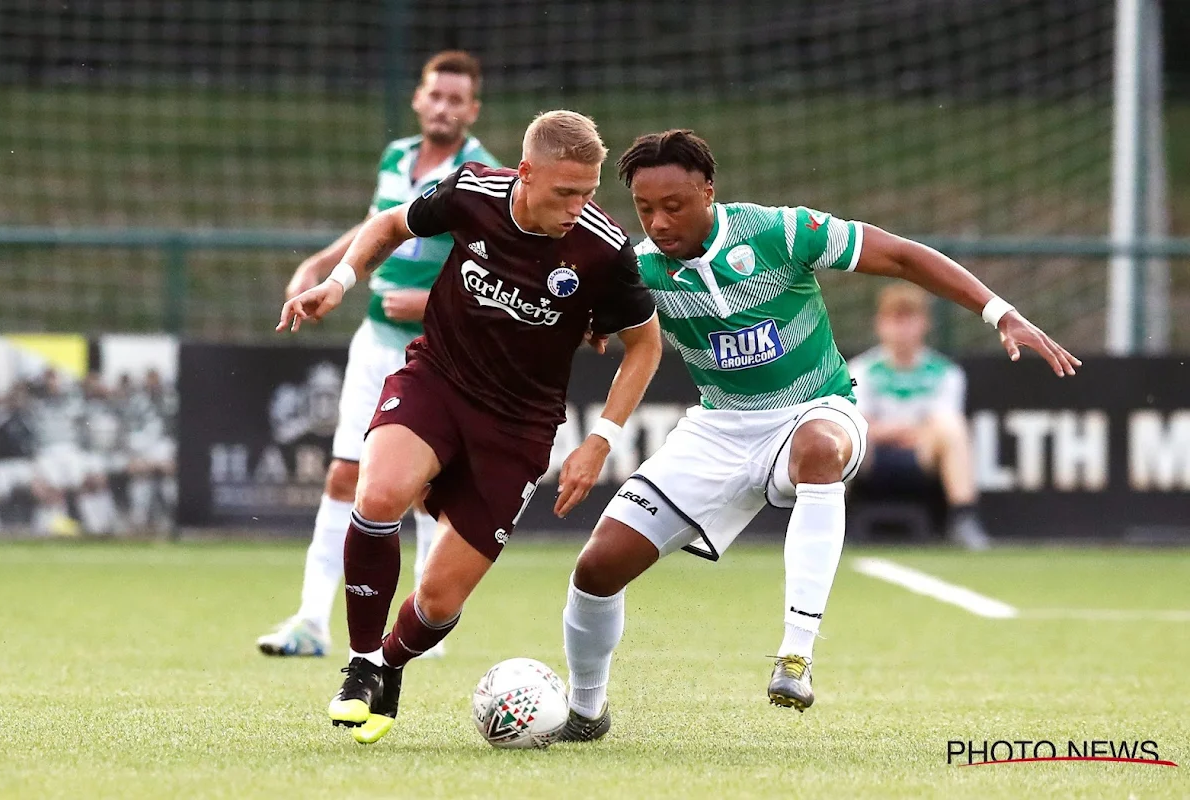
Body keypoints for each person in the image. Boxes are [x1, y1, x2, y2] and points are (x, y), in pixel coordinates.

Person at [558, 130, 1079, 741]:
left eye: (674, 206)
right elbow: (593, 323)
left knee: (819, 451)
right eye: (646, 210)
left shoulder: (781, 232)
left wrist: (999, 312)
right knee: (596, 569)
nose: (659, 222)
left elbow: (904, 257)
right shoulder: (639, 268)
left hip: (817, 408)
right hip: (719, 430)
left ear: (708, 192)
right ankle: (586, 713)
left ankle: (795, 656)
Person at [277, 110, 662, 745]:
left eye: (589, 192)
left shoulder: (603, 248)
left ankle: (390, 667)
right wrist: (340, 282)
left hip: (519, 427)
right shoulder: (473, 191)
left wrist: (600, 441)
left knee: (439, 600)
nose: (579, 206)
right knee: (376, 497)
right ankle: (362, 663)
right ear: (526, 172)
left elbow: (644, 345)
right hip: (437, 381)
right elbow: (390, 224)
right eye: (566, 192)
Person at [257, 51, 500, 658]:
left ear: (472, 110)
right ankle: (311, 620)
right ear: (419, 99)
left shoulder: (485, 174)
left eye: (456, 100)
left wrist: (431, 299)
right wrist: (324, 264)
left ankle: (420, 627)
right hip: (373, 343)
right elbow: (382, 222)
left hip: (437, 349)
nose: (443, 108)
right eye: (434, 96)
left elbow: (498, 267)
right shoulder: (397, 154)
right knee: (344, 473)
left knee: (417, 484)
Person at [847, 284, 991, 550]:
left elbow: (942, 422)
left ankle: (963, 519)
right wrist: (904, 430)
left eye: (909, 320)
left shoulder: (946, 373)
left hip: (921, 455)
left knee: (953, 429)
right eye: (894, 320)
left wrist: (896, 430)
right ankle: (828, 522)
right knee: (842, 434)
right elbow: (857, 422)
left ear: (924, 324)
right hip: (871, 455)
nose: (901, 331)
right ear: (880, 324)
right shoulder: (859, 370)